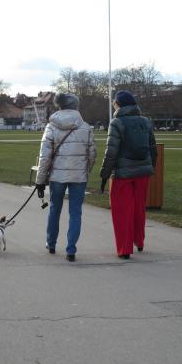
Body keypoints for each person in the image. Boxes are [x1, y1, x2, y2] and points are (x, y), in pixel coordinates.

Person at [35, 93, 96, 262]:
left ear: (59, 106)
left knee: (55, 209)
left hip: (57, 176)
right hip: (79, 176)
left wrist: (40, 180)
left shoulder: (51, 127)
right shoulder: (85, 127)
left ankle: (51, 243)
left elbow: (44, 156)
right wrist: (85, 171)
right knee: (75, 213)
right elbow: (92, 154)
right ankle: (71, 249)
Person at [99, 91, 157, 259]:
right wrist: (150, 166)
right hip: (143, 172)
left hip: (123, 173)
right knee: (139, 209)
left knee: (122, 211)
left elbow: (111, 152)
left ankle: (124, 248)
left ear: (118, 104)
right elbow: (152, 148)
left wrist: (105, 174)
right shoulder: (145, 122)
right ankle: (139, 241)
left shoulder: (116, 123)